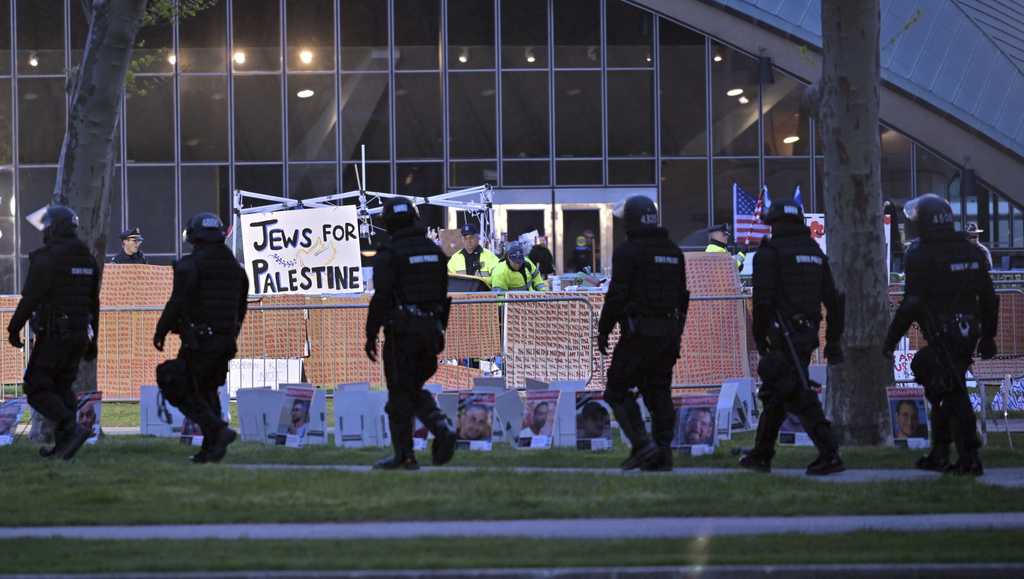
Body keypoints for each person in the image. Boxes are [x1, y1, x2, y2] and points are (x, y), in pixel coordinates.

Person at [883, 194, 998, 476]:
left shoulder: (920, 254)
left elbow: (911, 303)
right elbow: (989, 298)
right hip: (969, 331)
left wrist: (891, 339)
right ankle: (940, 452)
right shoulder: (972, 251)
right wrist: (988, 336)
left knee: (947, 388)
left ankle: (968, 456)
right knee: (945, 386)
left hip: (943, 333)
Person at [740, 198, 846, 476]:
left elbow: (762, 302)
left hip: (782, 334)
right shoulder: (814, 252)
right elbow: (834, 301)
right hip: (807, 333)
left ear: (773, 223)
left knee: (798, 392)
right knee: (776, 393)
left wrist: (759, 337)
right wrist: (833, 340)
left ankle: (829, 451)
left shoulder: (769, 253)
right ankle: (761, 453)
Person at [364, 197, 458, 470]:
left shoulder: (389, 254)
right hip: (431, 333)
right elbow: (442, 296)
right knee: (411, 390)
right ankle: (439, 428)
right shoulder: (435, 252)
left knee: (398, 395)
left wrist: (370, 334)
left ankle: (406, 454)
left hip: (403, 333)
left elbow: (381, 298)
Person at [598, 196, 689, 471]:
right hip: (668, 335)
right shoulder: (674, 252)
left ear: (631, 221)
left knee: (616, 390)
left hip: (638, 335)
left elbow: (617, 295)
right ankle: (663, 454)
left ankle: (642, 445)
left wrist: (604, 329)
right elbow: (683, 298)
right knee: (659, 390)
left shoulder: (629, 251)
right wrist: (677, 335)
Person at [154, 213, 247, 464]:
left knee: (173, 380)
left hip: (200, 341)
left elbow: (178, 301)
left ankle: (217, 429)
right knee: (207, 391)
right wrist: (230, 335)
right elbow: (241, 309)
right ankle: (211, 449)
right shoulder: (236, 269)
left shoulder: (190, 265)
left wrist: (161, 330)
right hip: (225, 342)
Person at [8, 206, 99, 460]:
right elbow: (95, 303)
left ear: (54, 228)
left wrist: (14, 328)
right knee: (60, 388)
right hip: (80, 335)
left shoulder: (46, 258)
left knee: (36, 388)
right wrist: (95, 341)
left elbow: (30, 298)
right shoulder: (87, 258)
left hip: (55, 335)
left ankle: (71, 427)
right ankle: (63, 448)